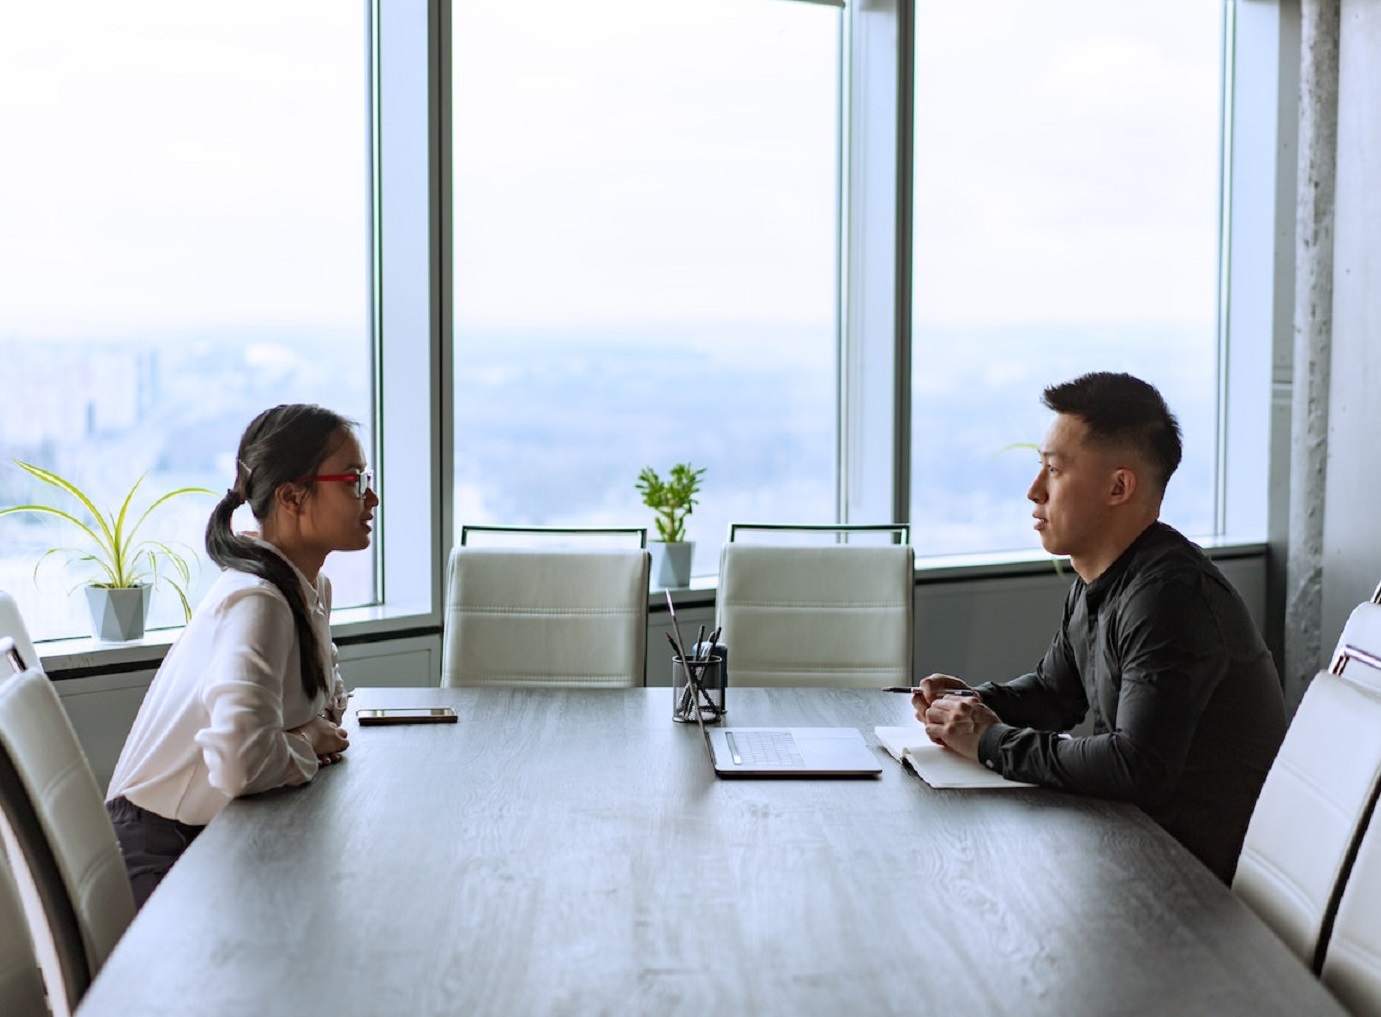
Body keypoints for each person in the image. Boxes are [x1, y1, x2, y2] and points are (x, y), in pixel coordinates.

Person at [915, 372, 1286, 883]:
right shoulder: (1104, 576)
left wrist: (988, 740)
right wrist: (969, 704)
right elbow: (1054, 693)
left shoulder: (1169, 597)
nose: (1033, 491)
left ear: (1119, 486)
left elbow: (1136, 766)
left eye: (1053, 470)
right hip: (1132, 849)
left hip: (1190, 890)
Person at [105, 404, 377, 907]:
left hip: (217, 831)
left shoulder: (306, 585)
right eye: (354, 481)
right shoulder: (258, 600)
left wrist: (305, 733)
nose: (371, 497)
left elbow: (325, 707)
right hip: (161, 849)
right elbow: (240, 765)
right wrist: (307, 741)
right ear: (292, 496)